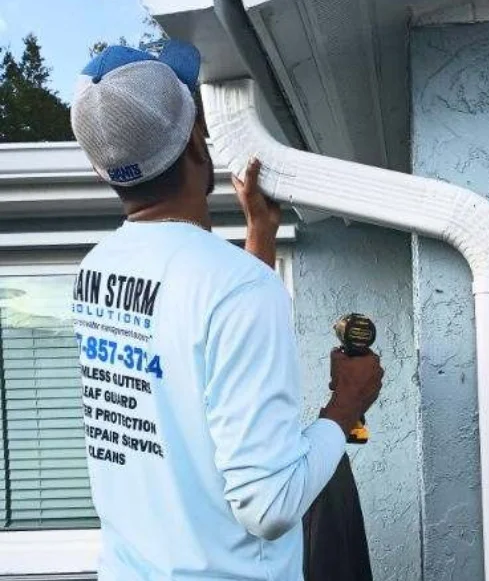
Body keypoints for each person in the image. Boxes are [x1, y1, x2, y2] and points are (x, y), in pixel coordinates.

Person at [70, 40, 383, 580]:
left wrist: (258, 234)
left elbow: (193, 339)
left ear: (103, 171)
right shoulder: (235, 290)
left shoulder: (94, 272)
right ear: (197, 140)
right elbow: (270, 506)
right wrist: (346, 405)